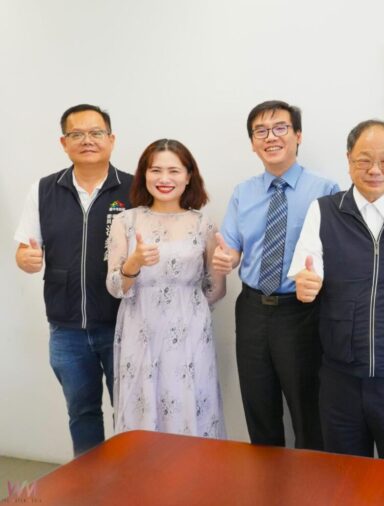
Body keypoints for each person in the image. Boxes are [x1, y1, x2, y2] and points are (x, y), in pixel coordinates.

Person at [290, 119, 384, 463]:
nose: (375, 169)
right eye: (364, 159)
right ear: (348, 160)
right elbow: (307, 274)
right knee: (344, 475)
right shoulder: (324, 211)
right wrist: (306, 286)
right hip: (341, 375)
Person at [213, 100, 338, 449]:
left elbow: (337, 254)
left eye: (280, 128)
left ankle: (310, 479)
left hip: (302, 312)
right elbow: (233, 248)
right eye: (261, 131)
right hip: (252, 309)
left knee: (307, 409)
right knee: (259, 406)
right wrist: (226, 258)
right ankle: (267, 479)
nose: (271, 137)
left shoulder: (326, 191)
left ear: (298, 135)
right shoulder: (244, 192)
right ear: (253, 143)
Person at [14, 104, 132, 456]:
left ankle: (133, 481)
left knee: (130, 413)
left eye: (96, 133)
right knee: (82, 413)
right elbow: (24, 249)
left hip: (124, 325)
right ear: (63, 143)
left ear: (111, 139)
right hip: (66, 330)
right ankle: (90, 482)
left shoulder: (135, 188)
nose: (87, 141)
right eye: (77, 134)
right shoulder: (44, 189)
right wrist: (26, 259)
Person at [106, 139, 226, 438]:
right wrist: (133, 263)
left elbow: (214, 290)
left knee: (190, 403)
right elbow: (114, 287)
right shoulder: (126, 221)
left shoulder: (203, 223)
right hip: (140, 328)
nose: (164, 178)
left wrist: (221, 271)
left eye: (174, 171)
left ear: (188, 176)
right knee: (142, 408)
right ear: (144, 175)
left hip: (191, 331)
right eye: (155, 170)